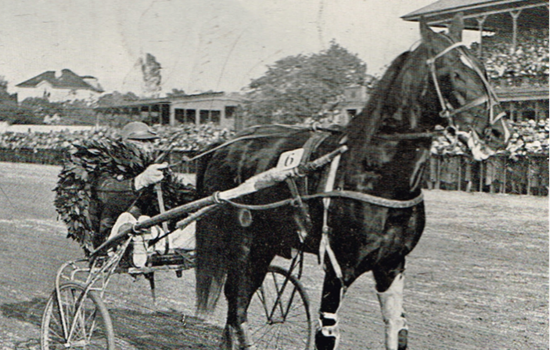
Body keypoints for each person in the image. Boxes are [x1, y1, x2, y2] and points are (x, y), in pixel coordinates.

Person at [89, 121, 168, 248]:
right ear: (124, 143)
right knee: (128, 217)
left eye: (151, 141)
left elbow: (176, 195)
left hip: (150, 227)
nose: (148, 145)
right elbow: (106, 193)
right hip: (111, 231)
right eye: (141, 141)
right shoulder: (107, 164)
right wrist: (140, 181)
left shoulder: (155, 168)